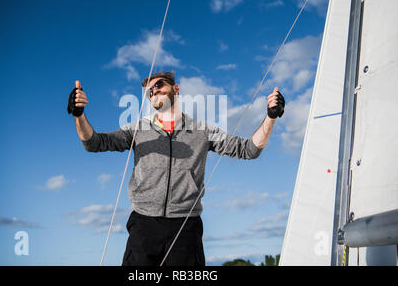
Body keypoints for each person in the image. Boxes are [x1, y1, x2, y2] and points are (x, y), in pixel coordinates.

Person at [68, 71, 285, 266]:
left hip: (186, 227)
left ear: (176, 89)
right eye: (149, 92)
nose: (154, 91)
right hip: (144, 224)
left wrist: (271, 116)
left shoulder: (203, 131)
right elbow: (94, 143)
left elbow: (248, 150)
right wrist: (79, 115)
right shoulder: (137, 129)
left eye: (159, 85)